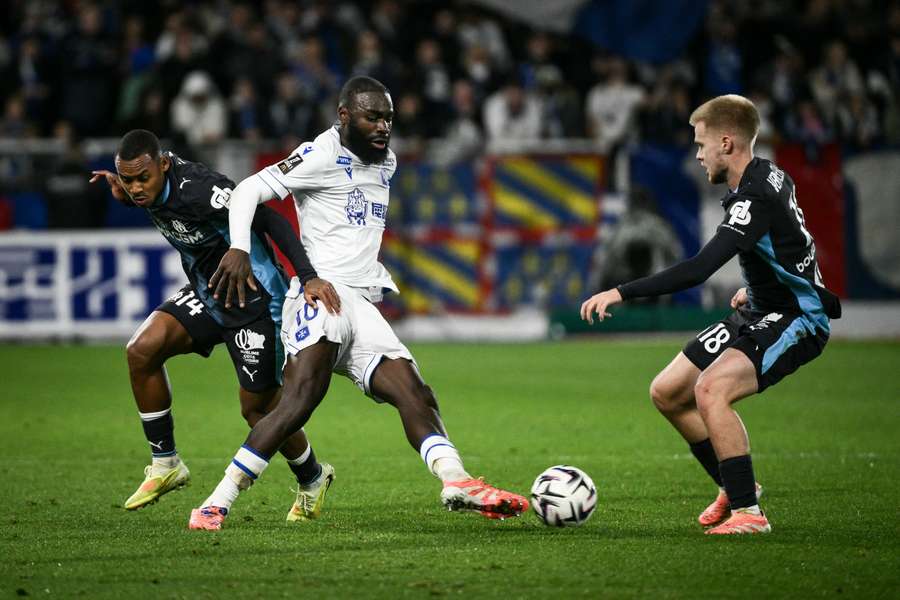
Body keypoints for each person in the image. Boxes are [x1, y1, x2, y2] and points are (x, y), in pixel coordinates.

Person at [188, 76, 529, 530]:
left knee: (415, 392)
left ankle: (457, 480)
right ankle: (218, 500)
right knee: (300, 400)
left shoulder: (384, 161)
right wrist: (240, 249)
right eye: (373, 117)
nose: (384, 126)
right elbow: (249, 190)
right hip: (322, 296)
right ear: (344, 116)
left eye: (388, 118)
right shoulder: (319, 154)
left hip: (363, 303)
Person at [580, 94, 841, 535]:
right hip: (762, 305)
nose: (698, 155)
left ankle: (748, 515)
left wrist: (621, 292)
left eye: (701, 145)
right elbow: (793, 242)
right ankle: (735, 484)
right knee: (667, 391)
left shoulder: (754, 194)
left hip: (796, 318)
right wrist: (756, 287)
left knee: (711, 390)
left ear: (726, 142)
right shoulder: (767, 177)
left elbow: (699, 269)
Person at [90, 129, 340, 521]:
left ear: (165, 165)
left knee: (258, 409)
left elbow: (271, 220)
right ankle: (166, 463)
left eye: (142, 179)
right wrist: (127, 194)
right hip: (209, 294)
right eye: (127, 180)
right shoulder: (149, 189)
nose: (136, 188)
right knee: (142, 350)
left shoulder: (201, 190)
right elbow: (155, 200)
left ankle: (312, 476)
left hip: (256, 302)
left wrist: (307, 276)